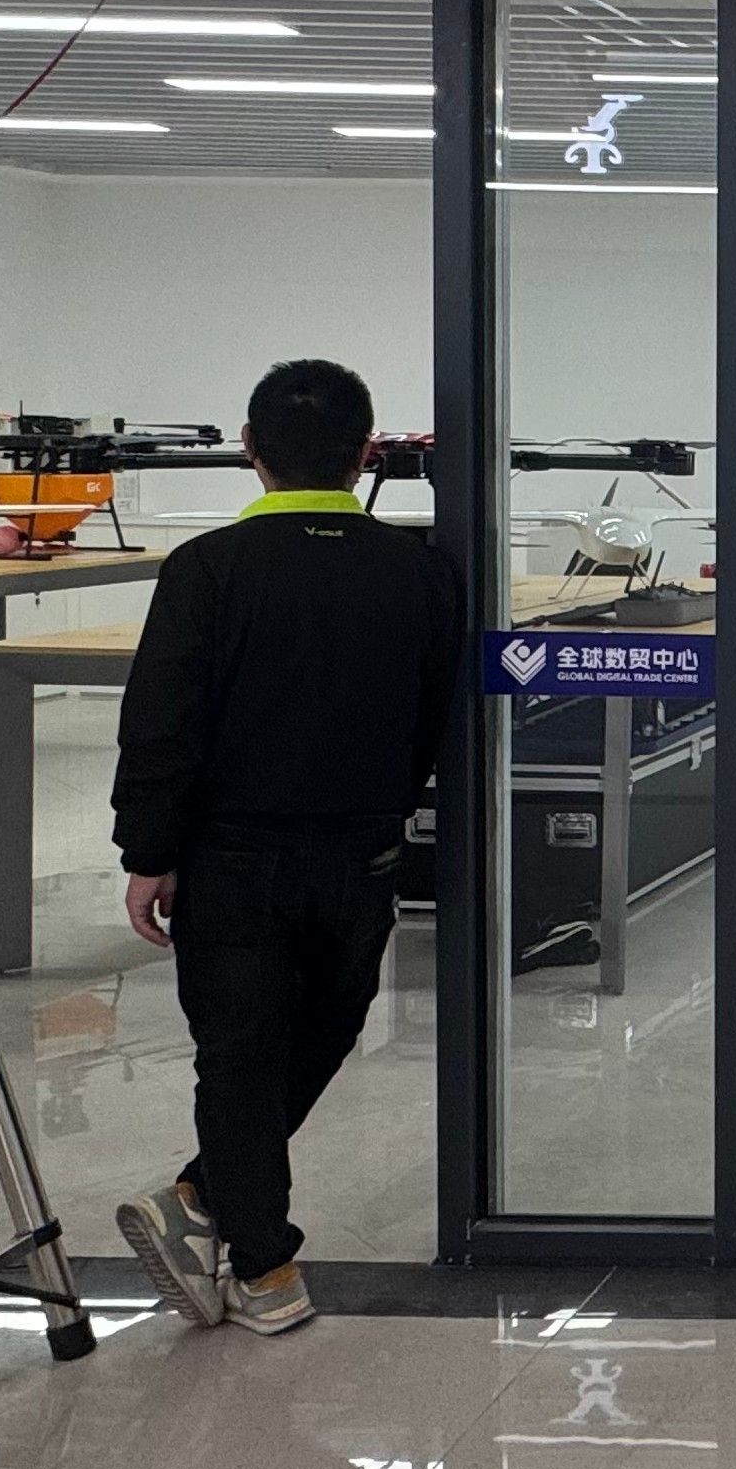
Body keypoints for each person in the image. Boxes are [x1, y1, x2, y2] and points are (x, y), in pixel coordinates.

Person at [110, 360, 461, 1336]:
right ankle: (260, 1254)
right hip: (363, 856)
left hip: (231, 859)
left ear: (249, 449)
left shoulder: (208, 569)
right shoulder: (420, 573)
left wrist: (148, 850)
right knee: (324, 1029)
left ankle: (218, 1213)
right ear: (366, 453)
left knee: (239, 1053)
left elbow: (162, 724)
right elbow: (432, 720)